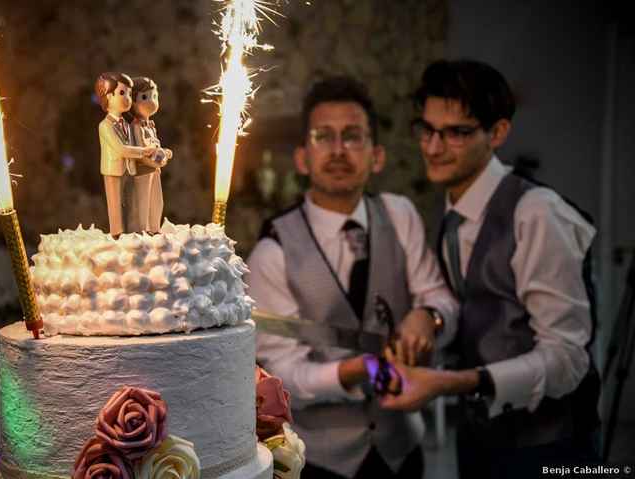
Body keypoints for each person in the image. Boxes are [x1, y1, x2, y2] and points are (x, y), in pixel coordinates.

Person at [380, 59, 601, 478]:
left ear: (497, 133)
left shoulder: (537, 213)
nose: (432, 147)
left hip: (548, 445)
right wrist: (428, 319)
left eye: (456, 133)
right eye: (426, 129)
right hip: (480, 436)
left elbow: (567, 359)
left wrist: (454, 383)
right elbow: (476, 311)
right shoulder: (451, 209)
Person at [247, 75, 459, 479]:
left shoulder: (401, 216)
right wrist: (359, 370)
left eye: (353, 136)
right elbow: (284, 376)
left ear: (376, 156)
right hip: (319, 461)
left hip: (401, 450)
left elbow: (443, 301)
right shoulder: (272, 253)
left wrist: (428, 317)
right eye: (324, 137)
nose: (339, 150)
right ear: (302, 158)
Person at [94, 72, 158, 236]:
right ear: (108, 96)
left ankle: (131, 231)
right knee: (115, 203)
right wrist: (144, 151)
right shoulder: (105, 126)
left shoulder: (128, 125)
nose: (128, 98)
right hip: (113, 170)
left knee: (129, 202)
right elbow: (121, 149)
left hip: (129, 169)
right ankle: (117, 232)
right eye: (122, 93)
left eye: (129, 94)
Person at [128, 76, 173, 233]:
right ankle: (140, 230)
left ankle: (154, 228)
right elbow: (141, 151)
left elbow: (155, 145)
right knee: (142, 201)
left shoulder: (151, 126)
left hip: (155, 169)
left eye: (154, 97)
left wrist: (164, 153)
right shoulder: (136, 127)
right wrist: (153, 161)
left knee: (157, 201)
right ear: (132, 101)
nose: (151, 102)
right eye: (145, 97)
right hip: (143, 170)